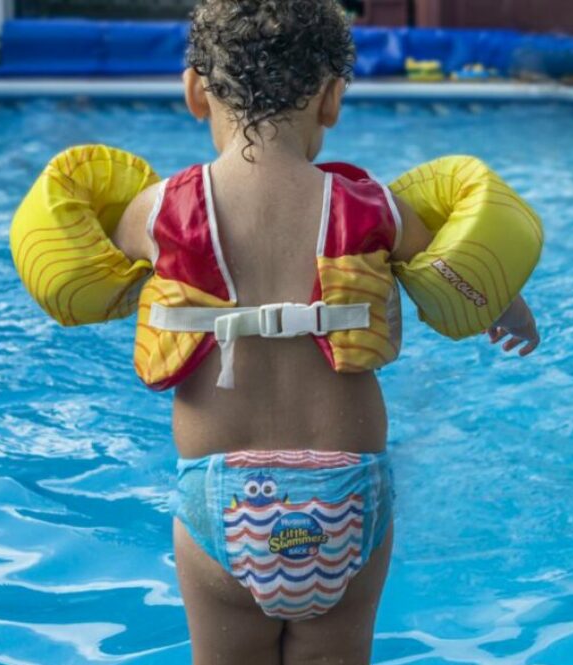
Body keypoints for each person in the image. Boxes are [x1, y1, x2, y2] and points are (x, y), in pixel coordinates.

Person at [104, 1, 541, 663]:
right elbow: (457, 274)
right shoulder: (373, 209)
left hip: (221, 504)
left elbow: (92, 262)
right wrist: (506, 303)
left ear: (195, 91)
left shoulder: (162, 209)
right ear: (332, 98)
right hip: (348, 501)